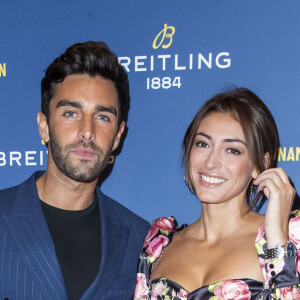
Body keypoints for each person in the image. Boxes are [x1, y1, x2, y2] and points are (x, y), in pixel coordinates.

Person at [0, 41, 150, 300]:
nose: (87, 132)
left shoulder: (139, 239)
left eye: (103, 117)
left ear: (117, 136)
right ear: (44, 126)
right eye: (71, 113)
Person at [134, 88, 300, 299]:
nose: (211, 163)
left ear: (261, 164)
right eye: (203, 144)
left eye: (232, 150)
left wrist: (277, 241)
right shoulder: (159, 244)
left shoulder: (290, 240)